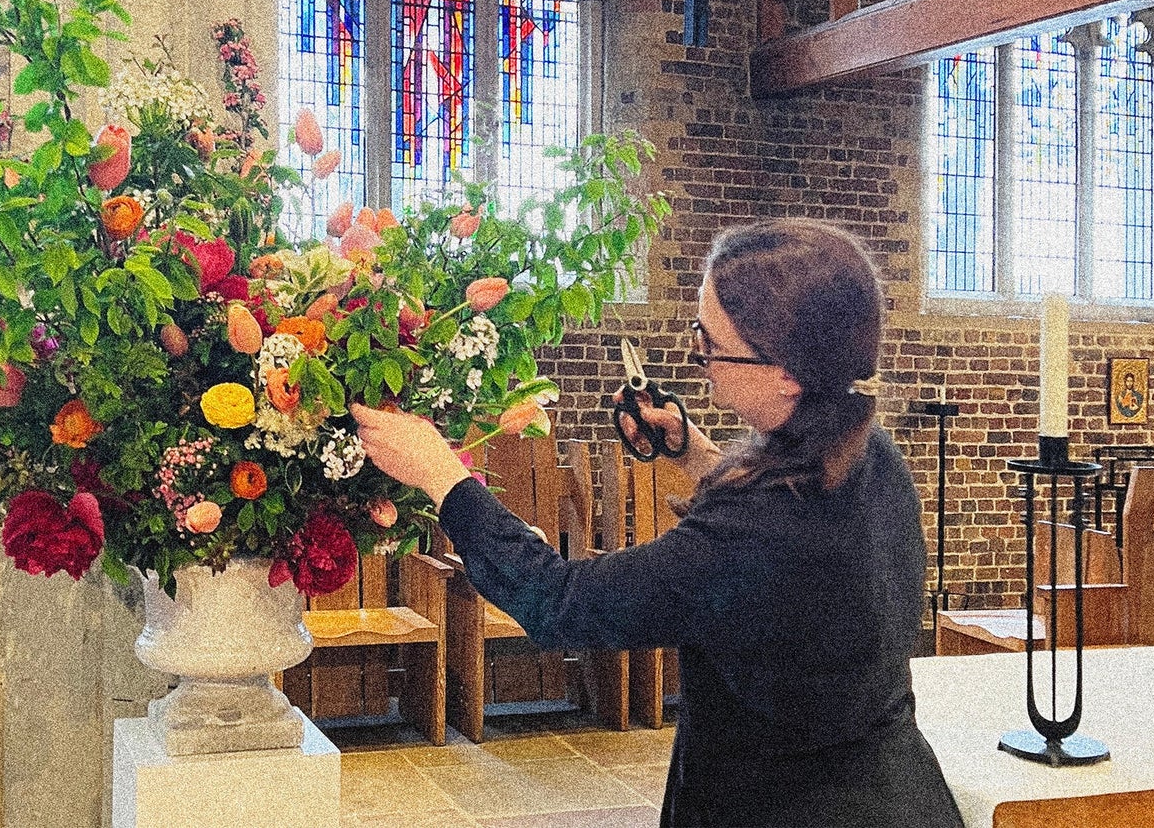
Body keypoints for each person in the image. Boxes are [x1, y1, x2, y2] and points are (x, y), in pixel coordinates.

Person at [352, 220, 964, 828]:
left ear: (786, 374)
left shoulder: (758, 530)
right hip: (893, 789)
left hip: (789, 804)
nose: (701, 361)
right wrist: (690, 448)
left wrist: (441, 475)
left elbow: (562, 602)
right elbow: (780, 522)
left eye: (711, 344)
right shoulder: (868, 452)